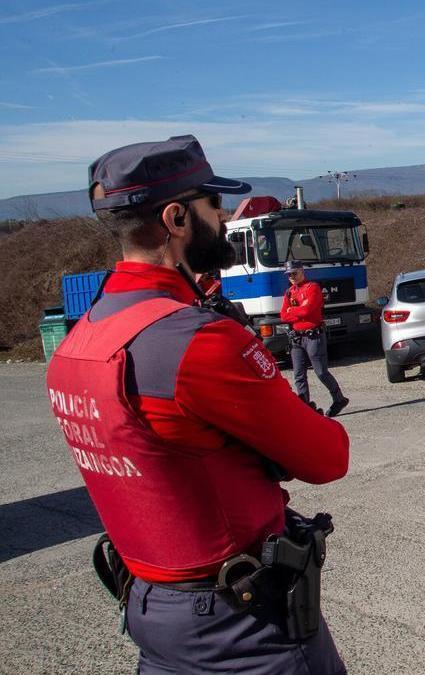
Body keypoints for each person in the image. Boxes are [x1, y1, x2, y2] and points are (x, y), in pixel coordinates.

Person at [46, 135, 349, 673]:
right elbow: (328, 457)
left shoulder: (78, 344)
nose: (226, 217)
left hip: (150, 609)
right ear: (177, 218)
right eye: (213, 204)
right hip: (241, 628)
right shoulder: (198, 341)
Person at [281, 261, 350, 417]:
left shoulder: (312, 288)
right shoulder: (289, 292)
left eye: (294, 273)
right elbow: (283, 315)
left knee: (321, 372)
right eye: (289, 274)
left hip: (313, 335)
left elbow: (307, 310)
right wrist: (295, 311)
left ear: (302, 271)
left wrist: (293, 311)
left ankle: (339, 398)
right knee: (298, 374)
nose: (292, 277)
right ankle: (305, 407)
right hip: (297, 338)